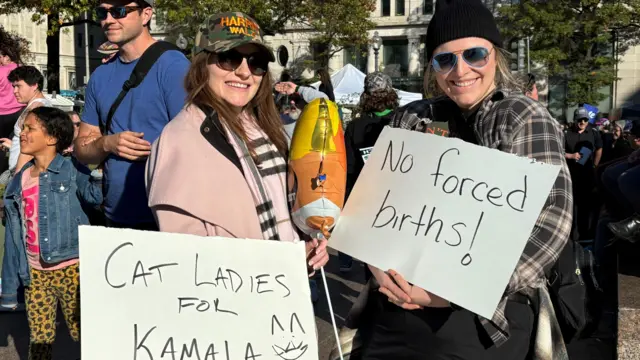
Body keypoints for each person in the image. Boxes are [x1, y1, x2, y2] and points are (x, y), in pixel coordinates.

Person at [349, 1, 572, 358]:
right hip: (395, 310)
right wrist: (378, 268)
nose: (460, 70)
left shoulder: (523, 115)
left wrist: (450, 293)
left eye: (474, 54)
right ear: (433, 68)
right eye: (445, 59)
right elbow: (373, 206)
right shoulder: (412, 118)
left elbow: (550, 224)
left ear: (495, 57)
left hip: (482, 319)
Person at [145, 12, 329, 273]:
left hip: (284, 292)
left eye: (256, 63)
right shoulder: (178, 139)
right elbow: (187, 261)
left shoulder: (264, 127)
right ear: (202, 63)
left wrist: (303, 249)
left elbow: (280, 215)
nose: (244, 72)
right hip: (234, 300)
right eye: (229, 58)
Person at [74, 0, 190, 231]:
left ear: (146, 14)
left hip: (166, 218)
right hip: (115, 214)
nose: (108, 19)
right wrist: (107, 143)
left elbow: (195, 147)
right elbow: (81, 150)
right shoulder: (100, 75)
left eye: (119, 11)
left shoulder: (173, 66)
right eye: (102, 12)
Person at [0, 107, 102, 359]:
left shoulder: (72, 170)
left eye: (29, 128)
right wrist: (10, 290)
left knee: (84, 333)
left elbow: (95, 196)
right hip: (35, 274)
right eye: (23, 128)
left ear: (52, 138)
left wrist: (101, 168)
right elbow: (14, 239)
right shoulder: (19, 180)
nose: (22, 134)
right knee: (40, 338)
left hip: (72, 269)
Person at [341, 72, 400, 274]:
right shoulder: (406, 122)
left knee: (374, 268)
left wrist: (347, 208)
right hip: (403, 207)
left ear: (365, 96)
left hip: (369, 206)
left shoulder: (355, 128)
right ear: (391, 94)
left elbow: (349, 170)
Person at [1, 66, 51, 175]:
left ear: (34, 85)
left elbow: (32, 147)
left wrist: (18, 178)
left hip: (24, 174)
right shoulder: (34, 106)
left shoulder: (36, 109)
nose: (14, 91)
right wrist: (14, 144)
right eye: (14, 86)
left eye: (18, 86)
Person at [565, 107, 603, 241]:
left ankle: (584, 237)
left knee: (585, 209)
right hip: (571, 177)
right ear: (575, 119)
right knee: (571, 209)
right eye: (580, 119)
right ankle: (570, 238)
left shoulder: (593, 133)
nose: (582, 122)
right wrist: (570, 155)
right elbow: (558, 151)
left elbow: (599, 149)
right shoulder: (566, 134)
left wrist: (595, 165)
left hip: (587, 177)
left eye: (585, 119)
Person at [0, 45, 25, 175]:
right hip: (18, 111)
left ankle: (2, 172)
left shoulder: (1, 71)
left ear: (6, 57)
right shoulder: (20, 69)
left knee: (1, 145)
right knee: (15, 143)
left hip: (2, 112)